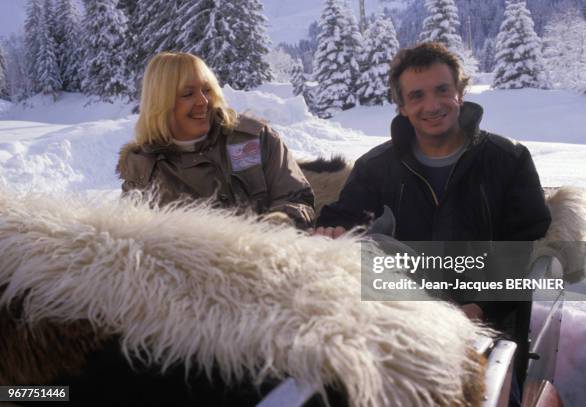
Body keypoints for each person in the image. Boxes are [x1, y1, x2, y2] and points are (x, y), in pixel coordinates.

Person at [315, 42, 551, 398]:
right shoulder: (375, 167)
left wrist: (482, 307)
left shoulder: (509, 160)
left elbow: (527, 248)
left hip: (488, 330)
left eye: (443, 90)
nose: (432, 105)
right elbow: (343, 216)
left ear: (460, 91)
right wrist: (328, 232)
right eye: (417, 95)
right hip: (401, 325)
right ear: (402, 106)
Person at [117, 52, 315, 229]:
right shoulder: (143, 170)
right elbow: (134, 242)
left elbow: (297, 199)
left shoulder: (254, 138)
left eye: (207, 90)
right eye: (187, 94)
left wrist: (273, 227)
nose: (203, 102)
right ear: (160, 104)